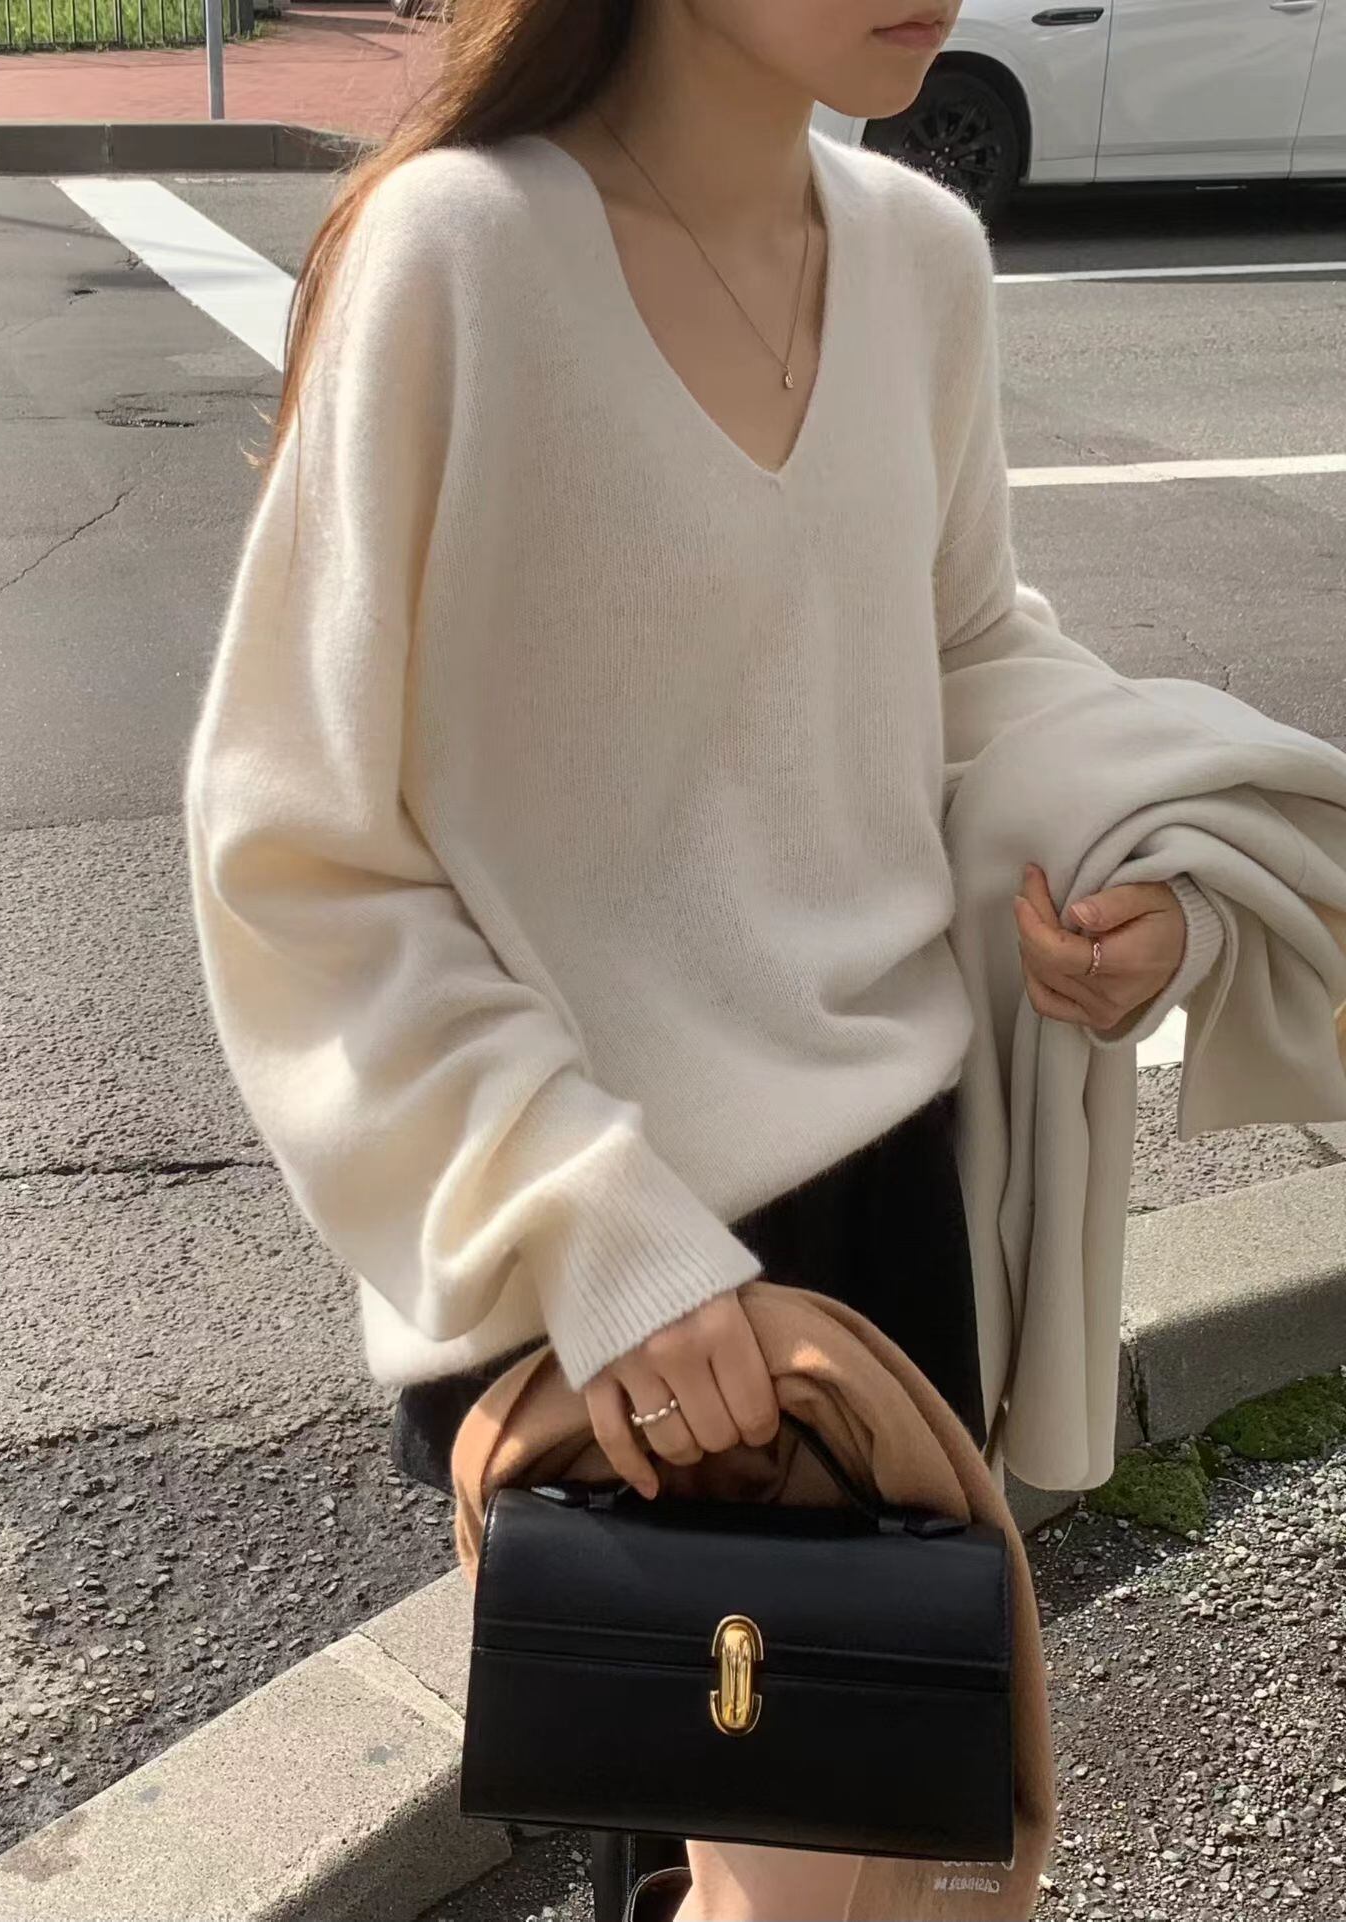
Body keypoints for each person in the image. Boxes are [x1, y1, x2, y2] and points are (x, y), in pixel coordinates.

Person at [182, 2, 1228, 1915]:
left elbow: (969, 655)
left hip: (896, 1213)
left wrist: (1129, 864)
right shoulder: (461, 252)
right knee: (808, 1878)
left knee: (844, 1857)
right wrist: (602, 1236)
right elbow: (299, 843)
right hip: (597, 1242)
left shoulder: (920, 258)